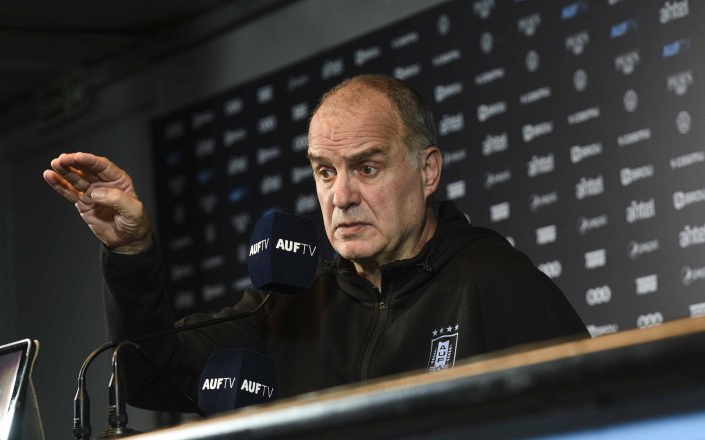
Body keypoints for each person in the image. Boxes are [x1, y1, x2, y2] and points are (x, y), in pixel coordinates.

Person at [44, 74, 588, 411]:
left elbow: (597, 418)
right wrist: (131, 252)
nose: (341, 196)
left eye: (367, 167)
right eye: (325, 172)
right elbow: (148, 374)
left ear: (428, 172)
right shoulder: (292, 301)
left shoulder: (491, 280)